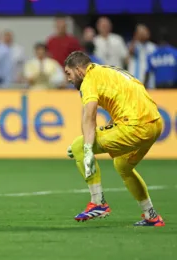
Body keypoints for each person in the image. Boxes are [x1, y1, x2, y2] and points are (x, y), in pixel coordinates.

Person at [64, 51, 165, 227]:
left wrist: (87, 150)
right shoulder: (108, 71)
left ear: (79, 70)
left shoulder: (88, 81)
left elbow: (89, 116)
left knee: (78, 146)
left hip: (135, 126)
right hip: (155, 123)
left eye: (69, 73)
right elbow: (125, 101)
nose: (68, 79)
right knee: (123, 165)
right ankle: (151, 215)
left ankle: (98, 203)